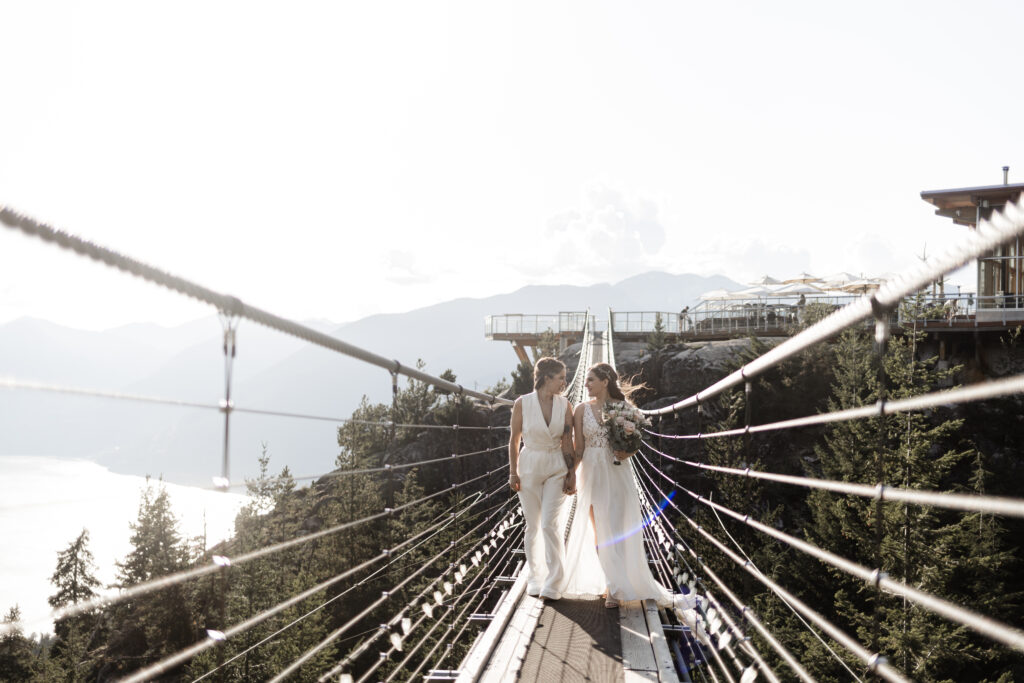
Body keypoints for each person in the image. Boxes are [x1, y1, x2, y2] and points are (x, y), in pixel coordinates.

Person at [561, 362, 675, 609]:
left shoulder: (624, 408)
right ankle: (611, 581)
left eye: (591, 380)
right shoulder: (580, 409)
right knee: (599, 531)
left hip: (616, 471)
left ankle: (614, 588)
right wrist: (571, 474)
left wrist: (629, 452)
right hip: (590, 472)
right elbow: (579, 448)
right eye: (586, 380)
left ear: (604, 381)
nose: (586, 384)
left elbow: (633, 442)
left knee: (614, 528)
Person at [508, 357, 575, 600]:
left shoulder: (565, 405)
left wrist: (572, 474)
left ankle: (554, 582)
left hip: (556, 466)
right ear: (547, 378)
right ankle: (535, 578)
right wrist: (513, 472)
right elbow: (514, 439)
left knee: (549, 523)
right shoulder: (522, 404)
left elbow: (568, 440)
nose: (564, 382)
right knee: (533, 526)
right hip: (529, 467)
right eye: (561, 377)